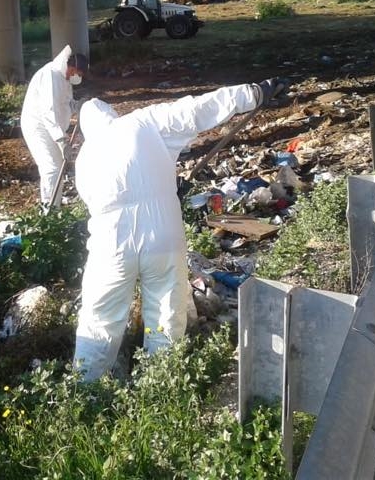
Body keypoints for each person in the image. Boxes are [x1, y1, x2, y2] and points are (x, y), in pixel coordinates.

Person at [72, 80, 281, 382]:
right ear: (113, 114)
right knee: (165, 312)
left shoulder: (86, 157)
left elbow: (100, 201)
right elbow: (197, 109)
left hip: (111, 245)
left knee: (100, 319)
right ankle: (160, 384)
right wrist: (255, 92)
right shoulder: (143, 122)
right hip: (162, 237)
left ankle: (85, 393)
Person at [20, 45, 89, 207]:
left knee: (58, 169)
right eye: (76, 73)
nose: (76, 76)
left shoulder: (64, 79)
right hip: (38, 127)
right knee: (50, 169)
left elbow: (63, 103)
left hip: (53, 128)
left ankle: (55, 209)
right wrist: (61, 140)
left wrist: (76, 105)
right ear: (70, 67)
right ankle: (48, 211)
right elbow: (48, 111)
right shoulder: (50, 75)